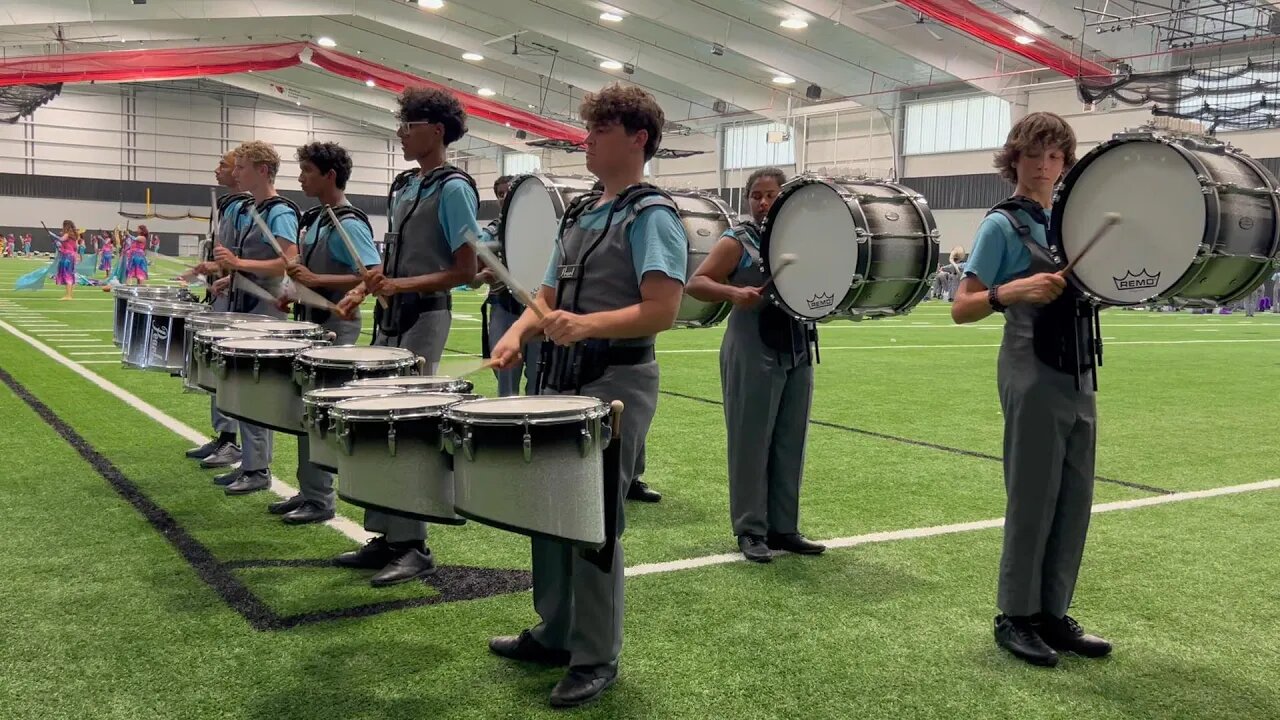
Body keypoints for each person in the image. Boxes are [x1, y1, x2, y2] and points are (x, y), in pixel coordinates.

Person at [487, 83, 688, 709]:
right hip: (559, 376)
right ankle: (555, 632)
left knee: (595, 522)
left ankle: (596, 655)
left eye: (601, 130)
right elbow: (546, 295)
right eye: (588, 128)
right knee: (547, 510)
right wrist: (519, 332)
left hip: (616, 381)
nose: (588, 139)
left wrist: (588, 326)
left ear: (638, 139)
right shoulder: (580, 212)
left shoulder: (653, 216)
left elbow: (663, 309)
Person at [951, 111, 1111, 668]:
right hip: (1029, 366)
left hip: (1080, 368)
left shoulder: (1074, 220)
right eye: (1034, 155)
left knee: (1074, 497)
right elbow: (962, 306)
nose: (1044, 167)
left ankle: (1052, 613)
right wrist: (1011, 291)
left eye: (1055, 157)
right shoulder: (1002, 225)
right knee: (1033, 495)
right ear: (1013, 158)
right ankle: (1015, 616)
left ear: (1065, 163)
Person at [333, 88, 479, 587]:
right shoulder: (406, 185)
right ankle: (387, 536)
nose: (400, 132)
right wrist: (363, 289)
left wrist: (399, 286)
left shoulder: (454, 188)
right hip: (390, 316)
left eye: (409, 124)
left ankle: (414, 544)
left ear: (436, 131)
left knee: (409, 424)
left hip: (425, 317)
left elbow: (466, 269)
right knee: (380, 419)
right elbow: (392, 260)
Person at [685, 167, 826, 563]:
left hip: (798, 346)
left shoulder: (801, 238)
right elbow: (696, 282)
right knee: (750, 443)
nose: (763, 203)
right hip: (751, 347)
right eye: (756, 196)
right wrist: (733, 291)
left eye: (770, 195)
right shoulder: (738, 239)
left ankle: (784, 528)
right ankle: (750, 529)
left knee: (789, 440)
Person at [268, 141, 381, 526]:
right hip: (312, 321)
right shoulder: (316, 218)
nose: (300, 178)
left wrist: (317, 279)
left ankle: (321, 498)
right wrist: (294, 291)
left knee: (317, 414)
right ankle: (310, 490)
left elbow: (370, 274)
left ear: (329, 175)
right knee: (305, 412)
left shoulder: (347, 221)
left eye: (307, 172)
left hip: (336, 327)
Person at [212, 140, 300, 495]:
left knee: (256, 392)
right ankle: (250, 464)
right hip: (246, 305)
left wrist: (238, 264)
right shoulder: (255, 208)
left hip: (263, 312)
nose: (235, 173)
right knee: (243, 390)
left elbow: (288, 260)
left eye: (242, 166)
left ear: (262, 170)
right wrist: (229, 277)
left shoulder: (279, 211)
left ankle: (258, 468)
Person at [182, 151, 251, 469]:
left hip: (237, 300)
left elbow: (241, 254)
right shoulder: (228, 205)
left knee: (231, 373)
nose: (217, 169)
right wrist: (207, 267)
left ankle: (233, 444)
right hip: (221, 295)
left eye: (223, 165)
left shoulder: (246, 208)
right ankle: (223, 436)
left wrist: (224, 272)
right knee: (216, 369)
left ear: (239, 171)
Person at [473, 174, 541, 397]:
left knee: (537, 374)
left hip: (534, 309)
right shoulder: (493, 230)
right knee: (505, 373)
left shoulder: (539, 227)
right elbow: (475, 259)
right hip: (503, 306)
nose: (504, 198)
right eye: (500, 194)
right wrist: (482, 273)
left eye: (508, 193)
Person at [53, 220, 79, 300]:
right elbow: (75, 247)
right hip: (71, 256)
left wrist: (53, 235)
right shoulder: (74, 235)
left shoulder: (67, 235)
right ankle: (69, 294)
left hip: (67, 257)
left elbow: (61, 239)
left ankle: (68, 295)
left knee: (67, 275)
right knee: (70, 275)